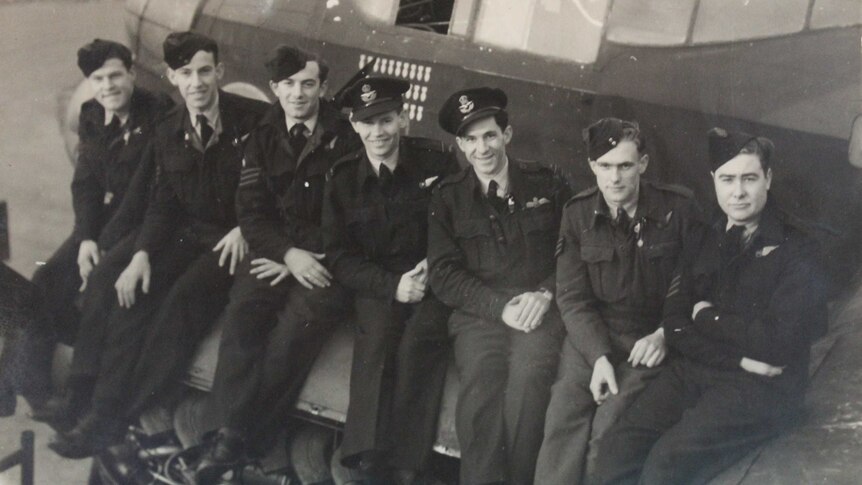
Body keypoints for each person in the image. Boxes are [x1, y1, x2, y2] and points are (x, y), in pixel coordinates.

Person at [47, 31, 267, 459]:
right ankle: (102, 412)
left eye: (205, 71)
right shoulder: (169, 127)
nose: (197, 82)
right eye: (186, 73)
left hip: (235, 238)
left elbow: (275, 184)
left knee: (181, 304)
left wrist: (247, 227)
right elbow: (165, 199)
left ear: (219, 72)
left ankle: (124, 415)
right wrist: (142, 255)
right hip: (187, 230)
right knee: (130, 293)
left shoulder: (254, 119)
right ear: (172, 77)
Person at [590, 128, 830, 485]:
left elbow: (777, 343)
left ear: (768, 178)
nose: (738, 192)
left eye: (749, 178)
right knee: (616, 452)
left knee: (666, 465)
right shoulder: (704, 237)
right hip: (702, 369)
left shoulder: (800, 247)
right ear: (713, 180)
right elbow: (674, 324)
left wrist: (705, 315)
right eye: (727, 178)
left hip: (763, 387)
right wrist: (735, 355)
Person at [192, 45, 359, 481]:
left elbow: (353, 214)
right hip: (279, 252)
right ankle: (222, 433)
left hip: (329, 260)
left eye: (308, 84)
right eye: (289, 85)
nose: (299, 94)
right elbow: (250, 211)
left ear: (323, 88)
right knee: (243, 316)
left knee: (293, 335)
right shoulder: (262, 136)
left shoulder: (348, 136)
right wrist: (286, 255)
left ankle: (239, 437)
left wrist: (303, 257)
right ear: (275, 89)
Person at [2, 39, 170, 419]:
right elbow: (86, 184)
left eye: (115, 75)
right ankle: (25, 386)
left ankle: (81, 388)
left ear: (132, 73)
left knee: (97, 286)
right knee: (46, 281)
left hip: (151, 217)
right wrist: (86, 237)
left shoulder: (160, 113)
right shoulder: (93, 115)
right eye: (98, 78)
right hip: (111, 215)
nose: (108, 86)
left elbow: (154, 191)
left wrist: (103, 242)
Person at [534, 118, 704, 484]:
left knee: (609, 429)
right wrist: (598, 357)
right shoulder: (577, 214)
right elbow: (573, 298)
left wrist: (664, 335)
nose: (615, 178)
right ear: (592, 167)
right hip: (592, 337)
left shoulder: (679, 210)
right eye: (605, 166)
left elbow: (698, 288)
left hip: (649, 340)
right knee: (563, 419)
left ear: (642, 164)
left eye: (625, 165)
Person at [427, 87, 570, 484]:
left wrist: (545, 293)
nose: (482, 148)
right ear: (459, 145)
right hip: (481, 313)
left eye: (489, 135)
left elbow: (573, 252)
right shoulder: (447, 197)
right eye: (470, 139)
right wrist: (498, 309)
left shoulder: (549, 184)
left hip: (539, 308)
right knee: (480, 382)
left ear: (506, 135)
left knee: (529, 380)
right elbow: (443, 273)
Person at [322, 76, 459, 482]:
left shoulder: (437, 163)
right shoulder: (343, 177)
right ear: (355, 127)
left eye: (386, 120)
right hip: (378, 281)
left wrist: (433, 268)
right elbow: (338, 256)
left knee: (422, 343)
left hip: (432, 277)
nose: (378, 132)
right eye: (368, 123)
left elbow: (458, 224)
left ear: (403, 119)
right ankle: (365, 458)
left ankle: (407, 466)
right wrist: (391, 286)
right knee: (378, 340)